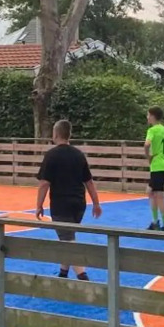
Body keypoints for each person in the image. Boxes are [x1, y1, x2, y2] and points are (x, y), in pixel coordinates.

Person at [35, 119, 103, 279]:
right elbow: (89, 181)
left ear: (56, 134)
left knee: (67, 240)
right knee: (68, 237)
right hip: (79, 204)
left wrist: (39, 205)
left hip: (61, 204)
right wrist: (96, 203)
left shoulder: (51, 155)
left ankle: (83, 276)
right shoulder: (78, 155)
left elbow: (44, 183)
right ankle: (63, 273)